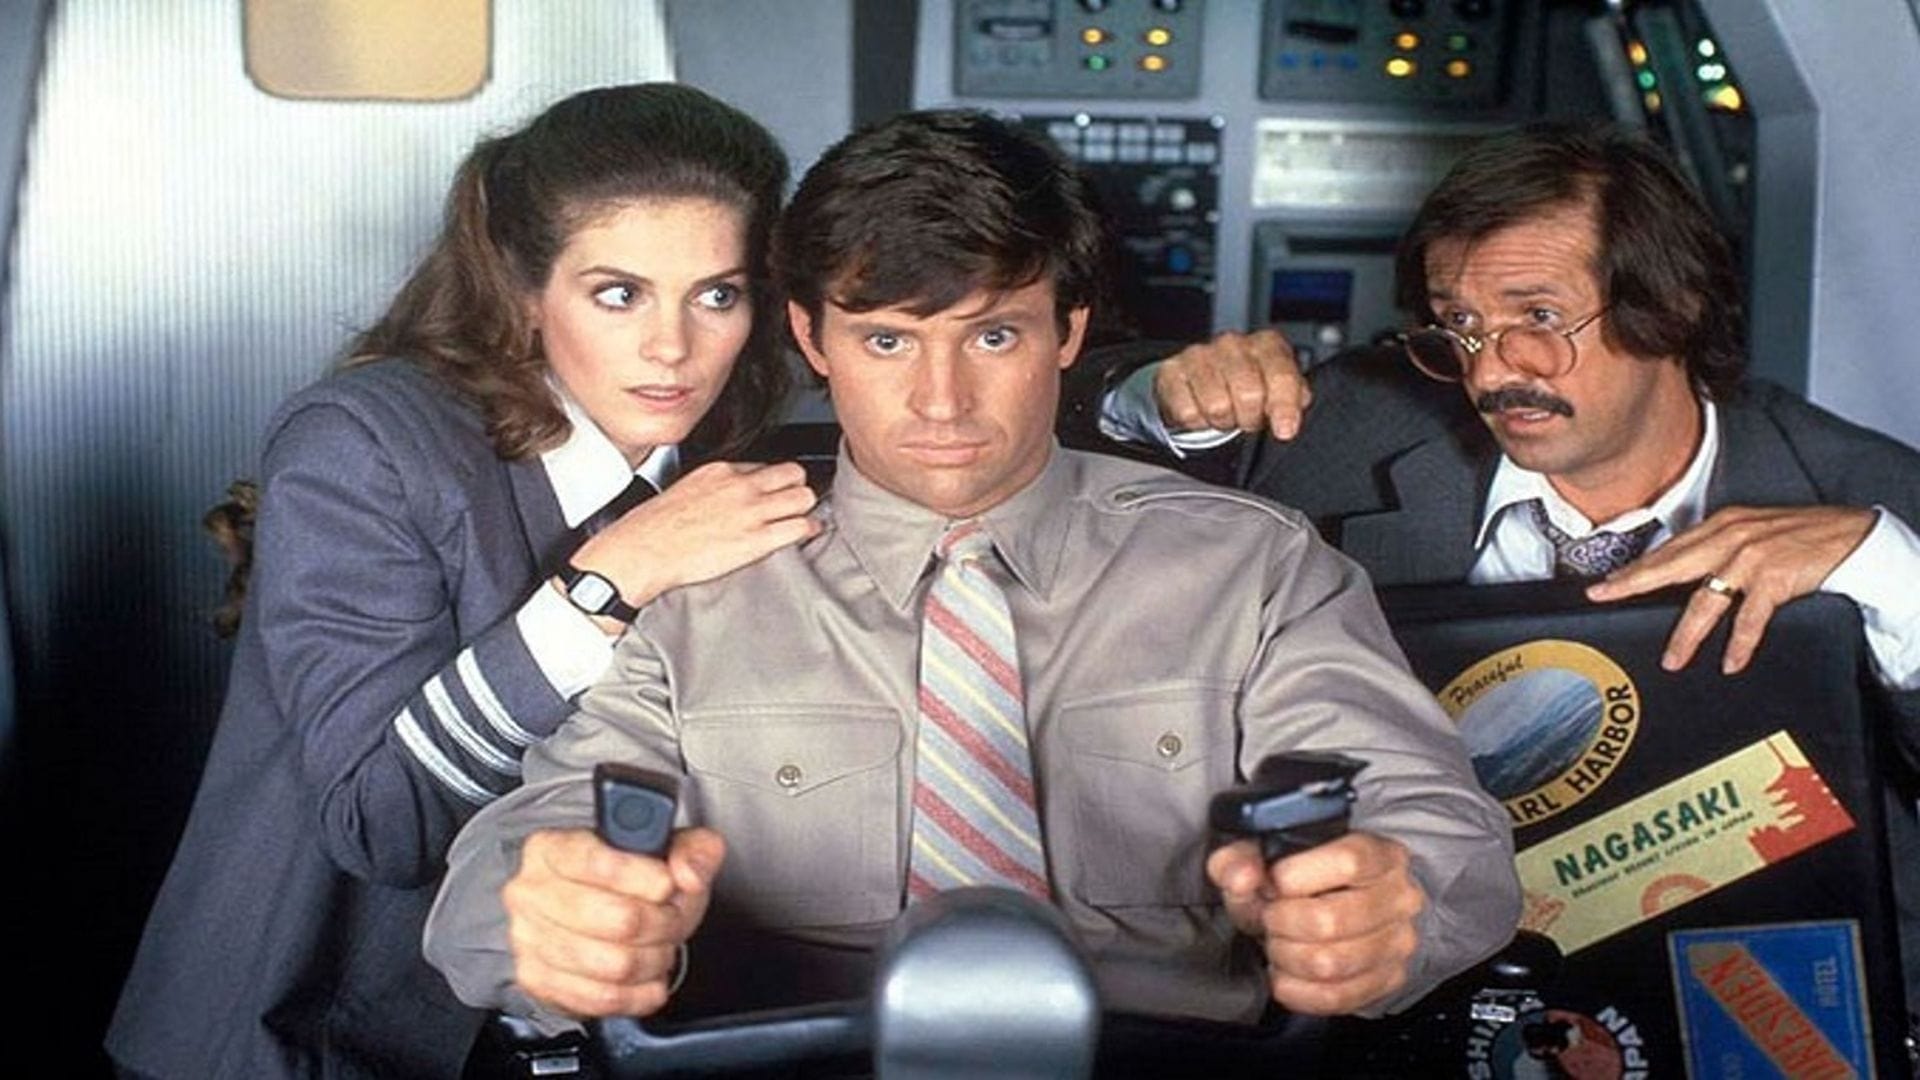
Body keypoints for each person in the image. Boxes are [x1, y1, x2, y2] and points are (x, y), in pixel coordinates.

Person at [422, 109, 1519, 1042]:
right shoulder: (695, 578)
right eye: (887, 342)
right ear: (810, 337)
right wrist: (552, 918)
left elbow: (1442, 834)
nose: (940, 403)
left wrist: (1394, 905)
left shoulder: (1253, 568)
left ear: (1068, 332)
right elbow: (514, 865)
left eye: (992, 337)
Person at [106, 83, 818, 1079]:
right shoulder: (368, 445)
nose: (673, 347)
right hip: (303, 1039)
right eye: (618, 294)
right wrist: (611, 578)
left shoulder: (729, 461)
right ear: (524, 292)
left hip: (584, 1037)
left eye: (716, 296)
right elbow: (380, 821)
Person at [1096, 120, 1920, 715]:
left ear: (1672, 307)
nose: (1488, 373)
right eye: (1460, 324)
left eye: (1539, 318)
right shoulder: (1349, 423)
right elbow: (1070, 456)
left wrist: (1895, 580)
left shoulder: (1871, 503)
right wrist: (1163, 395)